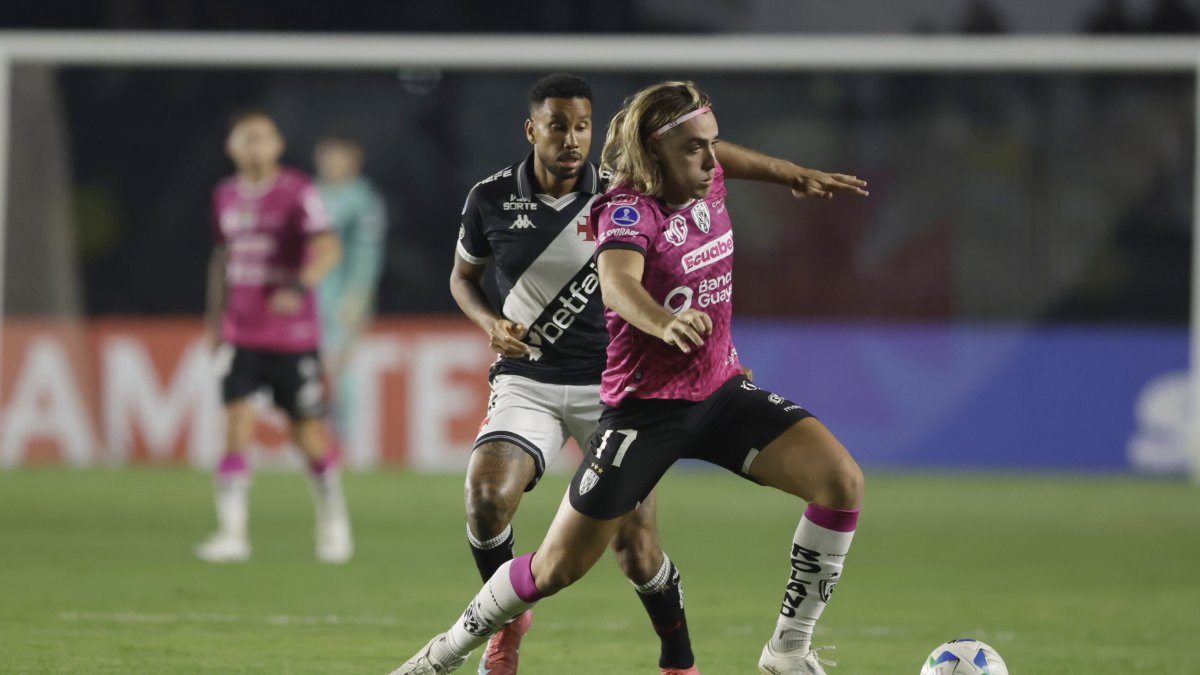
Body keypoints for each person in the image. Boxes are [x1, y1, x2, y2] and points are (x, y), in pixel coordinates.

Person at [394, 80, 868, 675]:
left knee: (841, 482)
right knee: (558, 567)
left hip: (720, 392)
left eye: (712, 143)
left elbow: (723, 155)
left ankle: (788, 650)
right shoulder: (625, 211)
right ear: (655, 151)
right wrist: (664, 321)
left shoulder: (706, 176)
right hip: (645, 412)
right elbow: (618, 282)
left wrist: (790, 174)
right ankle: (445, 652)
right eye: (694, 148)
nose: (712, 159)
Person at [197, 109, 352, 565]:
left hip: (292, 337)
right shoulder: (224, 195)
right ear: (231, 147)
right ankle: (232, 534)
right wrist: (214, 323)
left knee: (308, 437)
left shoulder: (298, 191)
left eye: (263, 137)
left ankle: (334, 520)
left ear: (278, 145)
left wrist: (299, 287)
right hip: (242, 334)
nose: (255, 146)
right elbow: (222, 260)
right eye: (246, 138)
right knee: (236, 425)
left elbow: (329, 248)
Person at [313, 134, 389, 463]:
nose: (331, 162)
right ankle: (313, 440)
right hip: (307, 297)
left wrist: (357, 296)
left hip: (343, 299)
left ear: (353, 160)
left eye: (338, 156)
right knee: (308, 371)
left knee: (340, 368)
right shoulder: (308, 194)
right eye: (327, 155)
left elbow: (367, 256)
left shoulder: (364, 201)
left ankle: (342, 441)